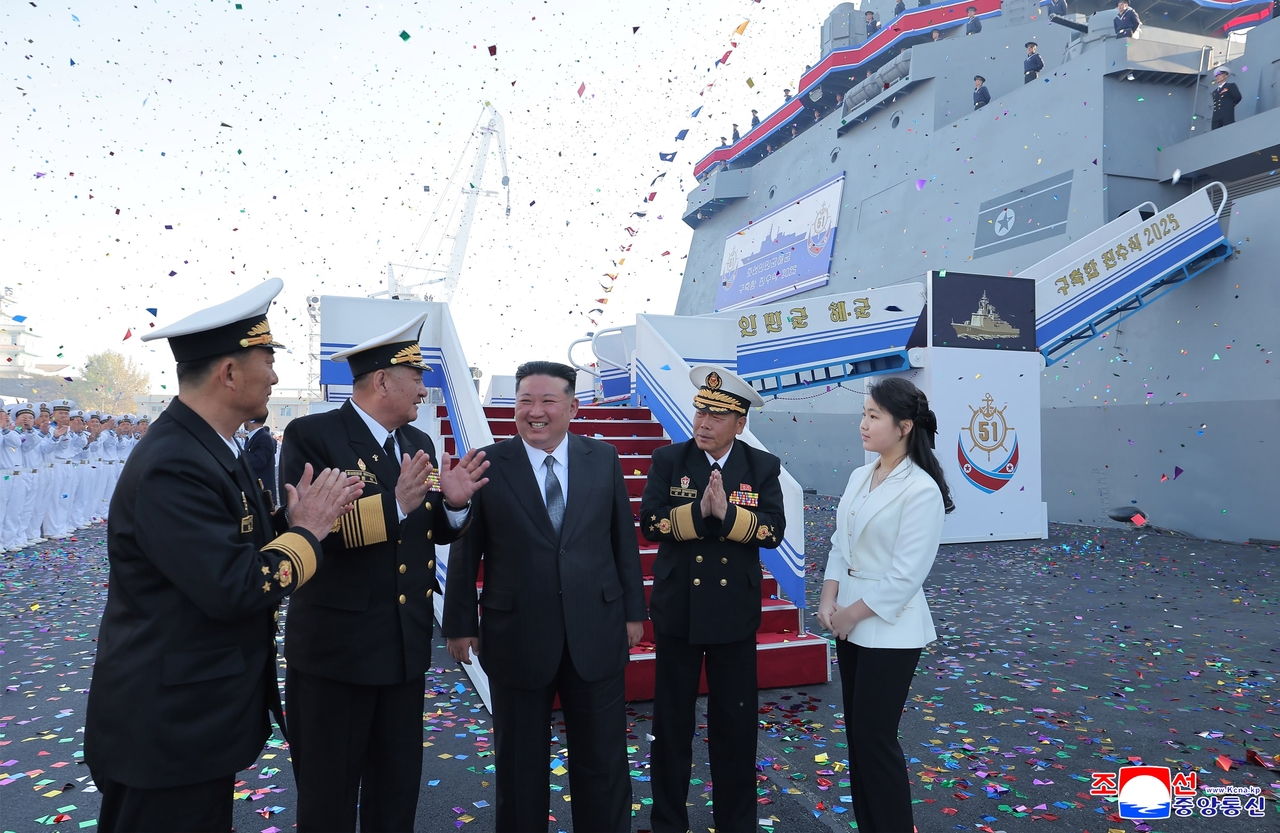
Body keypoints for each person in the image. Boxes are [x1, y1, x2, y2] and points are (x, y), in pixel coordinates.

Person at [84, 278, 363, 833]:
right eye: (268, 358)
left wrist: (292, 522)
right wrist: (308, 531)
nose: (277, 375)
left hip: (194, 722)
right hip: (168, 730)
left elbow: (234, 543)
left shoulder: (210, 449)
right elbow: (234, 585)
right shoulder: (175, 463)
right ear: (229, 372)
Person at [283, 312, 490, 833]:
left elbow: (428, 528)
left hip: (402, 650)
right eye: (416, 377)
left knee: (395, 789)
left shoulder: (416, 441)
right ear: (381, 381)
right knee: (328, 794)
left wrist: (457, 506)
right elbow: (312, 531)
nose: (424, 389)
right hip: (338, 654)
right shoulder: (313, 436)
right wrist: (394, 504)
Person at [443, 361, 646, 833]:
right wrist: (460, 624)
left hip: (595, 630)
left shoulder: (604, 458)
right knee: (519, 765)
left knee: (603, 761)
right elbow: (465, 548)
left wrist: (634, 611)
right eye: (524, 402)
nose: (534, 412)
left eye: (547, 401)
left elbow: (622, 540)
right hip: (517, 635)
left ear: (573, 407)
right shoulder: (488, 464)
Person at [643, 366, 786, 833]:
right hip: (678, 611)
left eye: (717, 414)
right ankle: (667, 822)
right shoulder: (669, 459)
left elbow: (772, 530)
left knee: (735, 727)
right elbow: (651, 523)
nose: (703, 421)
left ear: (740, 423)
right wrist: (698, 513)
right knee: (671, 728)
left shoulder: (761, 467)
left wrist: (727, 516)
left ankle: (737, 824)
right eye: (701, 410)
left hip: (732, 616)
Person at [816, 376, 954, 833]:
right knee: (858, 739)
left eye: (874, 416)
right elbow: (841, 543)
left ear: (904, 427)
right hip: (848, 618)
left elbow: (906, 575)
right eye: (864, 414)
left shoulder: (921, 489)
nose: (864, 424)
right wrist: (828, 596)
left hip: (889, 627)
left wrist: (849, 616)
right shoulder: (861, 475)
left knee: (876, 739)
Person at [243, 415, 277, 504]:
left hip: (261, 491)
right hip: (256, 491)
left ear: (251, 420)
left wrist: (239, 452)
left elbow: (258, 462)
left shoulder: (263, 437)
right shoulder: (255, 437)